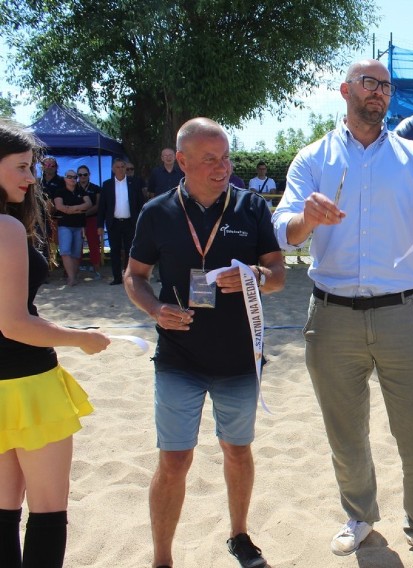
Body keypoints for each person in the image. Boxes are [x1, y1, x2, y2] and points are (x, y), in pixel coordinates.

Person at [272, 58, 413, 568]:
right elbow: (281, 229)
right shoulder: (312, 158)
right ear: (345, 90)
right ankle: (360, 516)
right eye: (369, 83)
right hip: (331, 315)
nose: (379, 93)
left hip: (403, 314)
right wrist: (305, 220)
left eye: (385, 86)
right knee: (345, 432)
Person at [124, 117, 285, 568]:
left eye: (226, 157)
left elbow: (278, 276)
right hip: (178, 358)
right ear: (182, 162)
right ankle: (162, 559)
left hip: (238, 358)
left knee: (237, 451)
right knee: (174, 462)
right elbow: (134, 278)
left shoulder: (251, 207)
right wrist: (156, 309)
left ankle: (239, 535)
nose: (223, 167)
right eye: (210, 159)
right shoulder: (157, 212)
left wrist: (254, 276)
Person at [0, 118, 110, 568]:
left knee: (4, 513)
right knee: (47, 513)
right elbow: (14, 324)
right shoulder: (6, 228)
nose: (32, 177)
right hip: (27, 384)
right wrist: (79, 339)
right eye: (23, 167)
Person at [98, 159, 147, 285]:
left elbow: (141, 203)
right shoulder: (107, 184)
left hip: (130, 222)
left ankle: (128, 275)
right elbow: (102, 206)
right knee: (114, 250)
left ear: (126, 168)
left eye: (122, 167)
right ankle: (117, 277)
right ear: (113, 169)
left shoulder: (134, 183)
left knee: (130, 249)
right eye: (117, 167)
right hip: (114, 223)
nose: (120, 169)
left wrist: (141, 221)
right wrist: (99, 225)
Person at [53, 170, 91, 286]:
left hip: (79, 226)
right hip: (65, 225)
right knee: (65, 251)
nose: (72, 179)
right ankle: (71, 277)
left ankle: (73, 276)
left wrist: (71, 209)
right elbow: (59, 206)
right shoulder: (59, 191)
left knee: (75, 253)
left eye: (75, 177)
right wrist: (79, 209)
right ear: (65, 178)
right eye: (69, 176)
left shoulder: (81, 190)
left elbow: (88, 204)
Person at [77, 165, 102, 272]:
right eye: (80, 175)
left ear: (89, 175)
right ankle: (74, 269)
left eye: (85, 174)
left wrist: (85, 213)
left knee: (94, 243)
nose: (82, 176)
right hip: (76, 220)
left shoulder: (96, 188)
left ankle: (96, 269)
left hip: (92, 219)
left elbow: (98, 205)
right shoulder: (73, 187)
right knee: (76, 245)